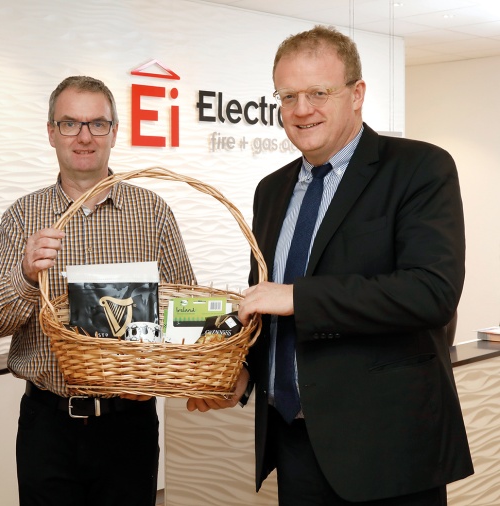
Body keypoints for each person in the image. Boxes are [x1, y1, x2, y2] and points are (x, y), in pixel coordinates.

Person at [188, 26, 473, 505]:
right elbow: (263, 306)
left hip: (387, 448)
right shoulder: (271, 190)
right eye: (289, 95)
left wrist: (298, 296)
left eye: (319, 92)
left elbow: (432, 291)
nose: (302, 109)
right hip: (293, 440)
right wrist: (238, 373)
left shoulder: (420, 169)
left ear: (357, 94)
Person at [0, 75, 195, 506]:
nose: (84, 136)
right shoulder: (23, 216)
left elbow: (187, 314)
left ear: (115, 133)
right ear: (50, 132)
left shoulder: (152, 213)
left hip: (129, 425)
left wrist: (155, 372)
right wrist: (25, 274)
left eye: (97, 124)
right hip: (48, 426)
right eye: (69, 124)